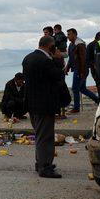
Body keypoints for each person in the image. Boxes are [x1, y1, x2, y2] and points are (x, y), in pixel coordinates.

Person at [23, 36, 66, 178]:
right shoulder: (46, 61)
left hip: (32, 103)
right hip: (45, 105)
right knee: (46, 137)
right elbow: (58, 76)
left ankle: (40, 162)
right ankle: (45, 167)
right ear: (50, 46)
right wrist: (59, 60)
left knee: (39, 135)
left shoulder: (28, 58)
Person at [65, 28, 99, 114]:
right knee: (82, 89)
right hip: (77, 69)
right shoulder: (71, 45)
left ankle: (76, 108)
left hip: (80, 70)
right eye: (67, 34)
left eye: (69, 34)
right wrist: (67, 67)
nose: (68, 36)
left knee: (75, 88)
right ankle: (98, 100)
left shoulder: (80, 44)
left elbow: (84, 60)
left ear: (74, 34)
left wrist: (82, 72)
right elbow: (71, 58)